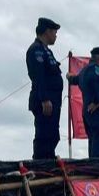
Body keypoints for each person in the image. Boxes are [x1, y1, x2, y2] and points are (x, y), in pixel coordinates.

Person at [26, 17, 64, 159]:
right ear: (47, 32)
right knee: (44, 135)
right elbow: (39, 76)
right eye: (54, 32)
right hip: (45, 102)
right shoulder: (36, 50)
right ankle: (41, 164)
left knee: (52, 135)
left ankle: (48, 160)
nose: (55, 36)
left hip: (53, 101)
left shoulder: (46, 50)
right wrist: (45, 99)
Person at [76, 47, 99, 158]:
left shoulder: (85, 69)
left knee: (94, 140)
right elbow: (95, 83)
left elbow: (76, 80)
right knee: (98, 141)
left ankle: (94, 163)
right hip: (97, 112)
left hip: (89, 112)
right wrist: (96, 101)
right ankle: (96, 167)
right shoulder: (94, 69)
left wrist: (70, 77)